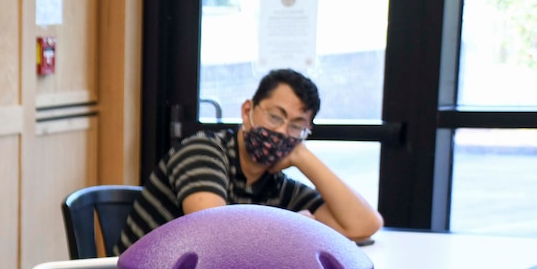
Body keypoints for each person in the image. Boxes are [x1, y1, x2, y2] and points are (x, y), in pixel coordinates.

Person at [117, 68, 383, 251]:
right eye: (275, 117)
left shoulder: (277, 185)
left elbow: (364, 225)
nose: (281, 132)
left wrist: (303, 156)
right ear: (247, 110)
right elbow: (214, 236)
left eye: (296, 126)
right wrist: (292, 229)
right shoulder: (203, 150)